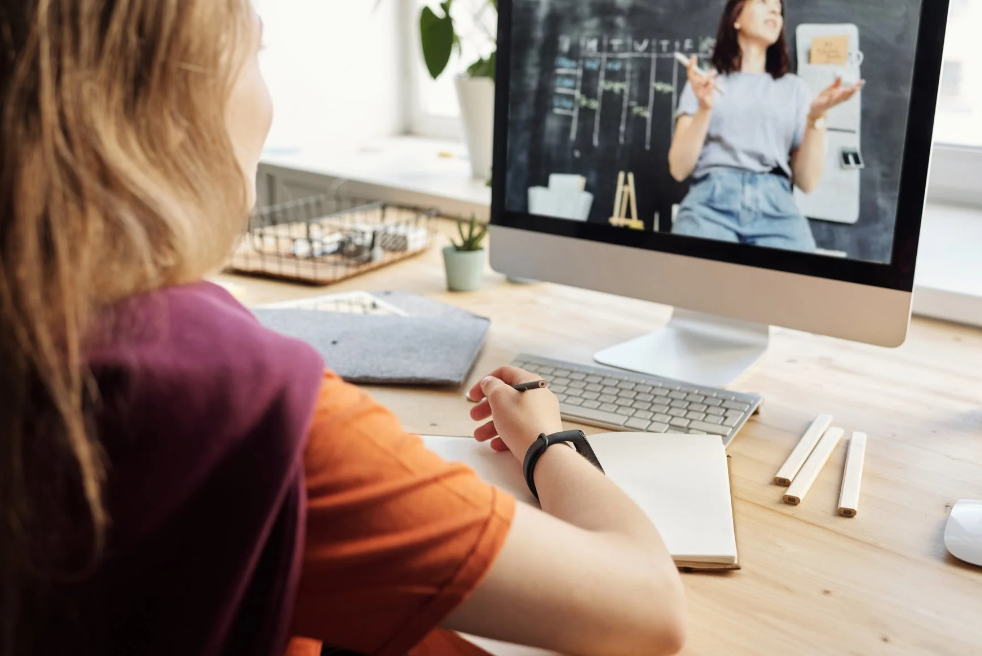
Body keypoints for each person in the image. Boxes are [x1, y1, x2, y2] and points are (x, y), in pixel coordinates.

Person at [0, 2, 687, 656]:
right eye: (256, 51)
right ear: (167, 99)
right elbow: (650, 610)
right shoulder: (241, 401)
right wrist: (547, 439)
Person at [668, 0, 864, 251]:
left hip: (776, 204)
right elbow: (678, 168)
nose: (774, 10)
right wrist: (706, 107)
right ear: (735, 18)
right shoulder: (706, 81)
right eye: (763, 2)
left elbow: (807, 182)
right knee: (694, 284)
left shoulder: (794, 89)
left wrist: (816, 117)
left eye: (778, 8)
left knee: (800, 285)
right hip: (710, 201)